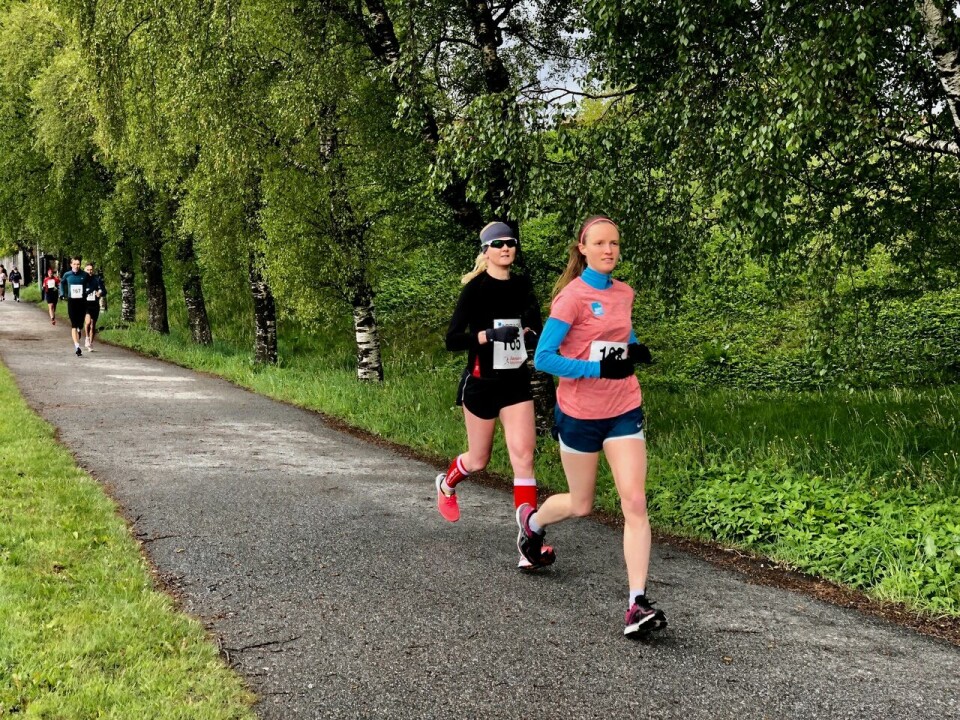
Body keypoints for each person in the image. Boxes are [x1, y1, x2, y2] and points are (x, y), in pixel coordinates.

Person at [525, 214, 666, 638]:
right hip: (580, 414)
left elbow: (622, 333)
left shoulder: (624, 292)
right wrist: (596, 368)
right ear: (582, 249)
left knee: (634, 501)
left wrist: (636, 349)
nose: (609, 250)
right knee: (581, 504)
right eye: (601, 243)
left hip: (623, 407)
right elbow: (544, 358)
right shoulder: (571, 298)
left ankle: (636, 603)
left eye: (615, 243)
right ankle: (532, 525)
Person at [435, 221, 555, 569]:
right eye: (498, 243)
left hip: (515, 383)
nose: (506, 248)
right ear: (485, 251)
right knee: (478, 460)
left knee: (524, 457)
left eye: (511, 243)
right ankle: (446, 484)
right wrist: (488, 335)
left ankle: (529, 545)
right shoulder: (475, 290)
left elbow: (536, 324)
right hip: (481, 382)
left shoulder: (522, 285)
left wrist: (530, 333)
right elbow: (452, 340)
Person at [60, 257, 90, 357]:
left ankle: (79, 329)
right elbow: (62, 283)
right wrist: (62, 293)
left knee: (80, 324)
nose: (76, 266)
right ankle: (77, 347)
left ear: (80, 265)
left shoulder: (84, 275)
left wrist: (88, 291)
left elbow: (91, 284)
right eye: (74, 264)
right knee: (73, 324)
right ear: (71, 264)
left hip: (82, 302)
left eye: (78, 264)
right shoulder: (67, 275)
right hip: (72, 301)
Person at [83, 262, 106, 351]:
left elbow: (104, 291)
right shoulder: (82, 279)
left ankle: (90, 344)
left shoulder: (97, 279)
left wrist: (100, 293)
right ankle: (87, 338)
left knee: (93, 325)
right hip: (86, 304)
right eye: (88, 270)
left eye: (91, 270)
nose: (90, 271)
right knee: (88, 322)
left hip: (95, 305)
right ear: (85, 270)